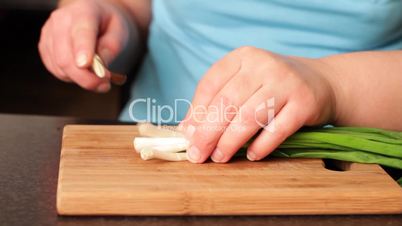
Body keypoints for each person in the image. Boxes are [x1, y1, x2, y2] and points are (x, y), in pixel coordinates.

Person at [39, 0, 402, 164]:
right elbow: (129, 5)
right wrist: (107, 16)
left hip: (354, 163)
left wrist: (334, 85)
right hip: (158, 136)